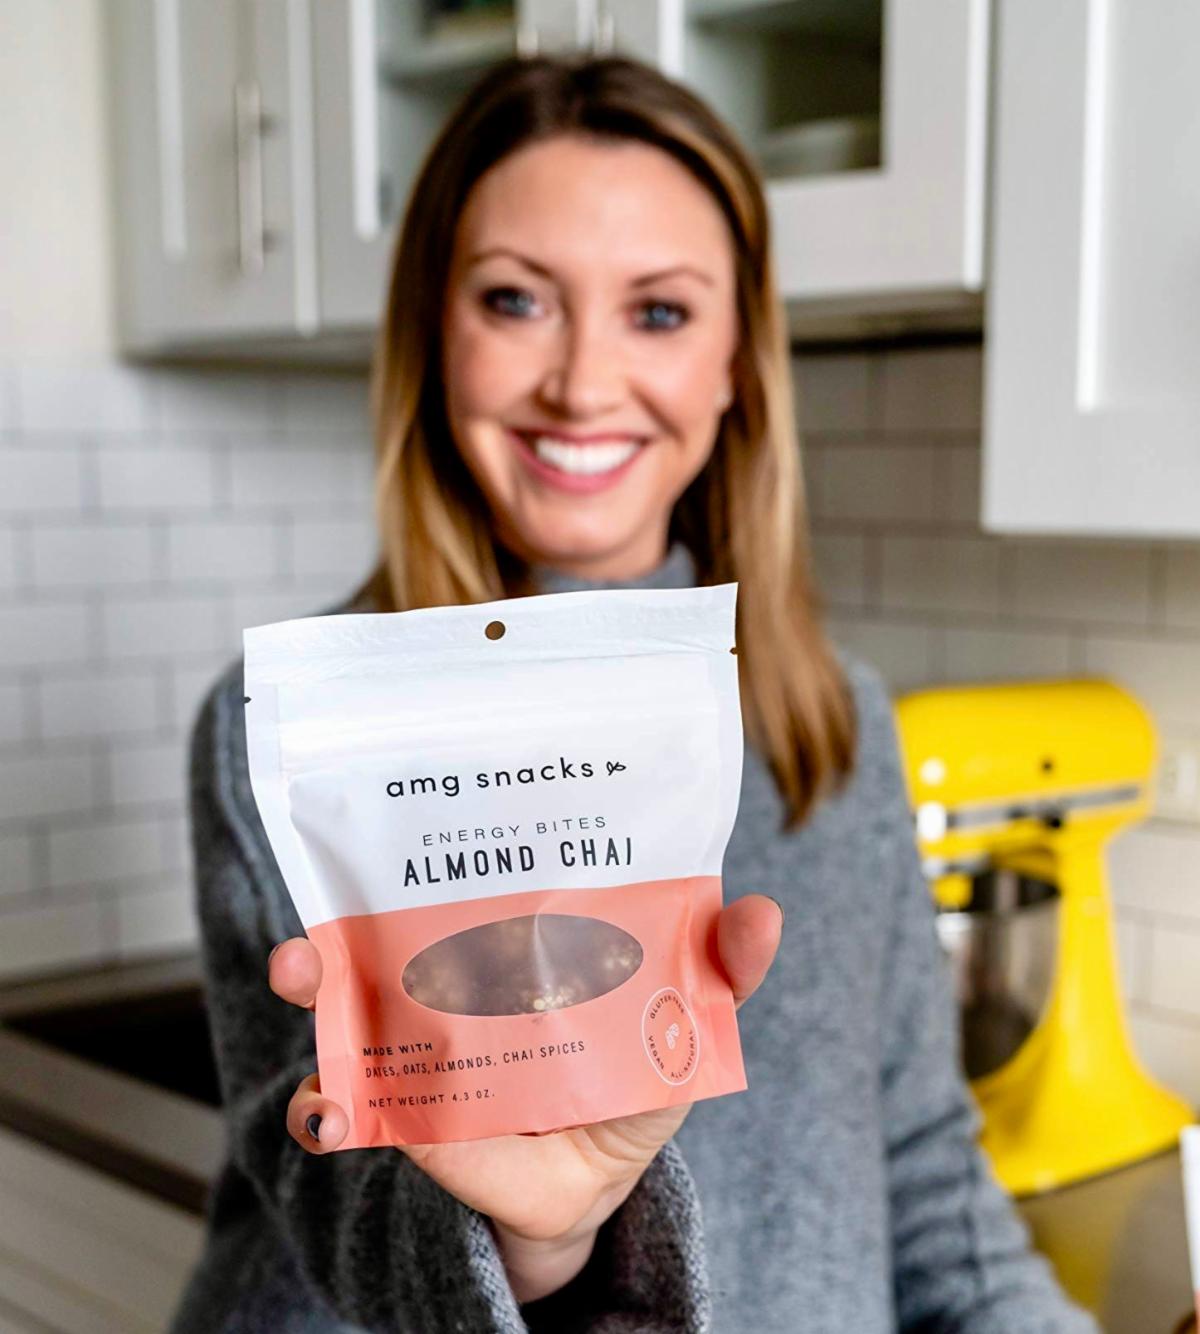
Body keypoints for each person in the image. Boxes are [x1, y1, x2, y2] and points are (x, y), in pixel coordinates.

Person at [170, 53, 1097, 1334]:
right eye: (515, 300)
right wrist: (541, 1240)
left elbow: (925, 1170)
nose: (583, 383)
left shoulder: (835, 726)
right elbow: (329, 1194)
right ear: (434, 333)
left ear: (735, 363)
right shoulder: (292, 738)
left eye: (658, 312)